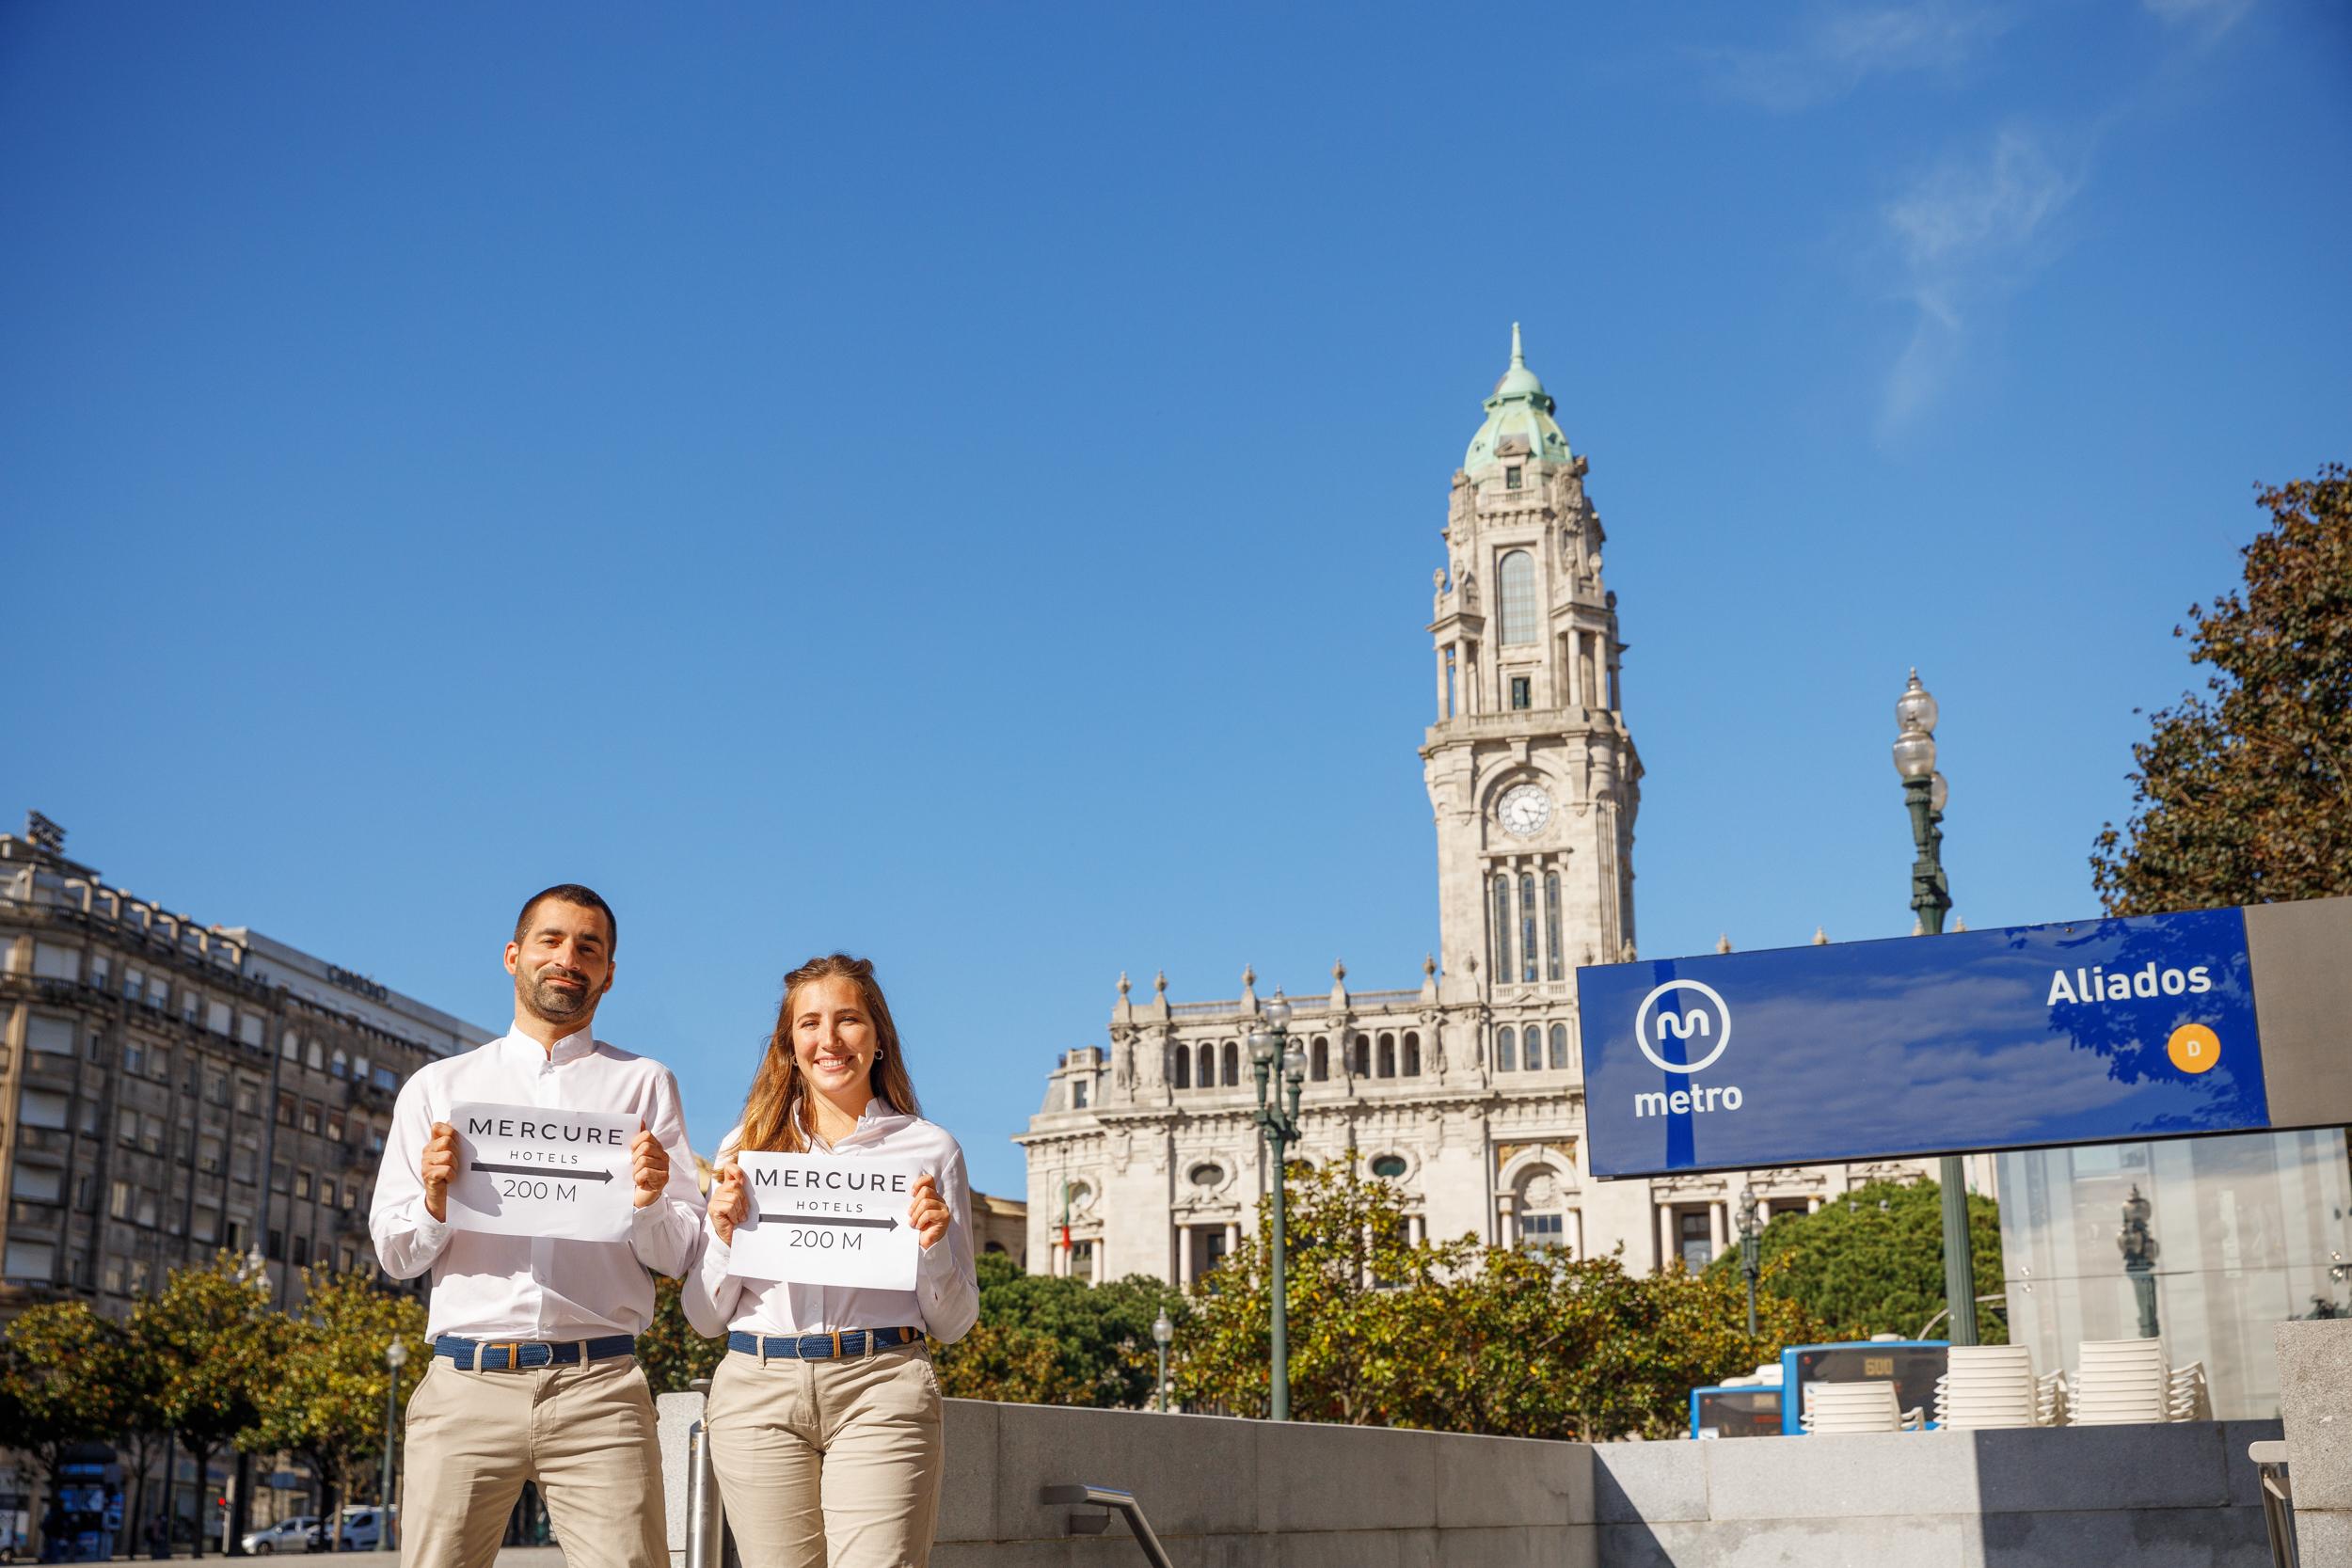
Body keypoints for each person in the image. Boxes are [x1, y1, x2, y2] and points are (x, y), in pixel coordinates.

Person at [370, 884, 704, 1568]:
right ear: (513, 955)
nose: (568, 957)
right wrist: (435, 1197)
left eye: (590, 946)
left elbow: (678, 1252)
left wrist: (648, 1199)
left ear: (609, 971)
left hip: (599, 1387)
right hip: (467, 1383)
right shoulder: (438, 1088)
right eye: (552, 940)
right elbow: (395, 1253)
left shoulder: (645, 1085)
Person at [684, 954, 977, 1568]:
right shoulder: (744, 1147)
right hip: (758, 1388)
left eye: (848, 1019)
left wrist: (933, 1247)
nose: (829, 1038)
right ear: (788, 1044)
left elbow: (952, 1324)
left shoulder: (929, 1149)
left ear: (878, 1038)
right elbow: (705, 1318)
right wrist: (721, 1233)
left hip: (882, 1385)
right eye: (810, 1022)